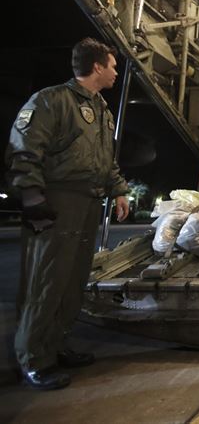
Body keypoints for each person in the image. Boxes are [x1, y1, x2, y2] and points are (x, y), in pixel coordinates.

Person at [5, 37, 130, 390]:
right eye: (113, 65)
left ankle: (57, 345)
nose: (116, 72)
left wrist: (118, 189)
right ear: (97, 67)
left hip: (88, 202)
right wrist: (32, 199)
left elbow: (106, 159)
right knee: (45, 282)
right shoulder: (50, 101)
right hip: (58, 201)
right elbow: (23, 149)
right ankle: (33, 359)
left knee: (72, 282)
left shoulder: (101, 109)